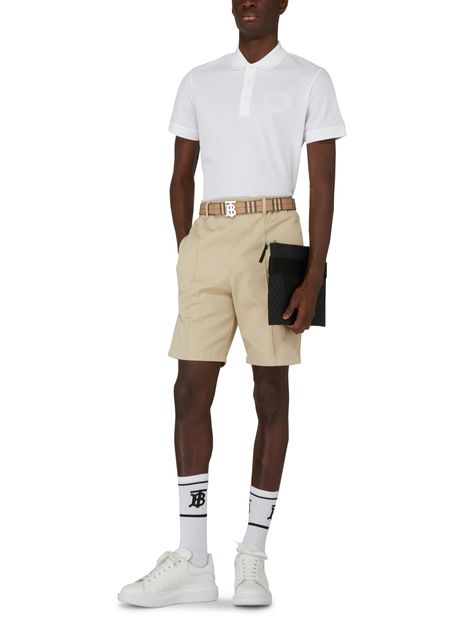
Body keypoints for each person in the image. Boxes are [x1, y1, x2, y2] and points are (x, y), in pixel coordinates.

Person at [117, 0, 346, 609]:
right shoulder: (199, 79)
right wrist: (187, 250)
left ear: (282, 2)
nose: (247, 2)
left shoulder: (311, 79)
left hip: (277, 234)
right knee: (189, 390)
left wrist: (315, 274)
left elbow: (323, 184)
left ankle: (253, 554)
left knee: (270, 392)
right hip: (209, 236)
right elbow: (180, 175)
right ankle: (194, 558)